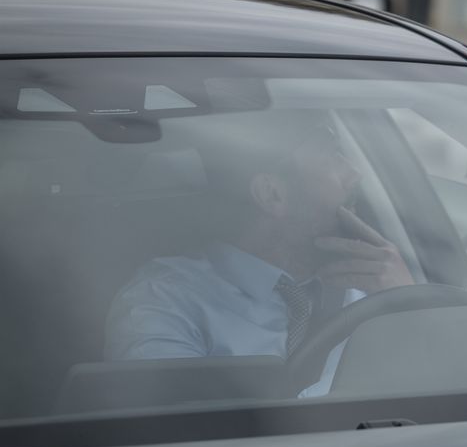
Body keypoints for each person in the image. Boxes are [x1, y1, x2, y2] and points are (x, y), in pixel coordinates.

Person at [104, 111, 414, 362]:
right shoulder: (167, 301)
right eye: (333, 157)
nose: (355, 174)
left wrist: (409, 305)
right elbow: (176, 431)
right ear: (272, 194)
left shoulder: (371, 291)